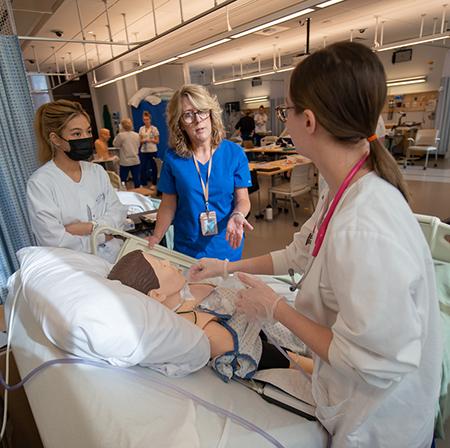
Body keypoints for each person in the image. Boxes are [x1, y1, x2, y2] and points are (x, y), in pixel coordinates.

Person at [189, 42, 442, 447]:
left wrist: (277, 310)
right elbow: (298, 253)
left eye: (285, 111)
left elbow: (370, 363)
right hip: (345, 394)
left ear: (308, 120)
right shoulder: (342, 186)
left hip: (381, 425)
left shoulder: (366, 226)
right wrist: (225, 268)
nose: (282, 120)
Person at [107, 249, 312, 380]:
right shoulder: (192, 324)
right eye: (162, 266)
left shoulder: (188, 288)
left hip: (287, 316)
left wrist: (224, 269)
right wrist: (310, 366)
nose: (169, 263)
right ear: (157, 295)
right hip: (284, 342)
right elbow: (259, 352)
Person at [148, 84, 253, 261]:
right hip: (188, 249)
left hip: (226, 246)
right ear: (179, 123)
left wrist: (238, 214)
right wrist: (157, 237)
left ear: (211, 114)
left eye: (202, 111)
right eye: (188, 115)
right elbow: (168, 205)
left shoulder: (234, 153)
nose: (197, 119)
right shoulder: (173, 159)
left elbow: (243, 200)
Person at [27, 100, 127, 262]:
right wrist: (104, 234)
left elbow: (118, 213)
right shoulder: (40, 183)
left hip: (114, 256)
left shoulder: (97, 172)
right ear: (56, 139)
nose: (86, 138)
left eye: (88, 131)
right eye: (76, 134)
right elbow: (55, 241)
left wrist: (88, 228)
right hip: (76, 265)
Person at [113, 118, 141, 188]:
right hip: (135, 160)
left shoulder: (121, 135)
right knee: (137, 179)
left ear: (122, 126)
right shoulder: (137, 135)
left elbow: (115, 144)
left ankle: (123, 192)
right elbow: (138, 145)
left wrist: (119, 132)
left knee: (123, 179)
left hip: (125, 162)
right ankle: (138, 193)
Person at [138, 111, 160, 187]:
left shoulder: (154, 129)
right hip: (144, 151)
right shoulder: (141, 129)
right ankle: (143, 183)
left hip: (152, 150)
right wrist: (143, 141)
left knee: (153, 167)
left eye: (147, 119)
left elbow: (157, 141)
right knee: (143, 167)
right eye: (144, 119)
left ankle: (154, 183)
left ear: (150, 119)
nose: (146, 121)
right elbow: (139, 141)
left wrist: (150, 140)